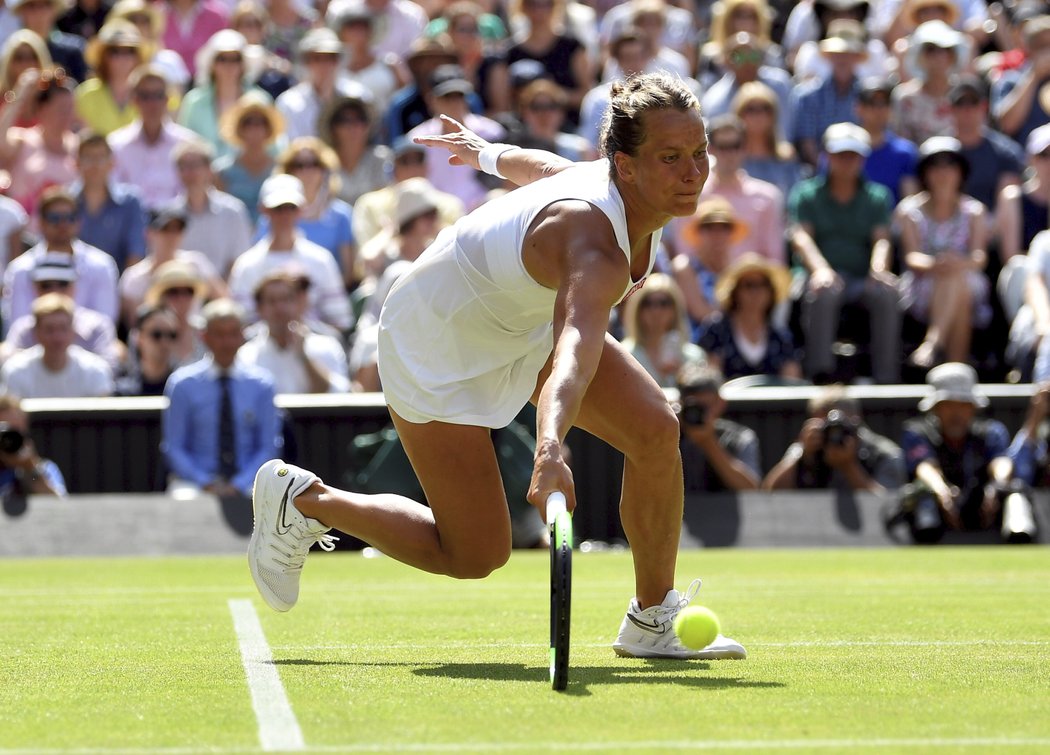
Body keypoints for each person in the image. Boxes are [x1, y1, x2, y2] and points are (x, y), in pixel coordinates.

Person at [247, 73, 748, 661]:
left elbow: (539, 166)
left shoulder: (614, 187)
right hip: (435, 339)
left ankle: (652, 617)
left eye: (699, 152)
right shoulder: (594, 244)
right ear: (626, 167)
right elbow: (574, 349)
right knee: (475, 554)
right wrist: (551, 445)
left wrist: (485, 153)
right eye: (671, 157)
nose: (694, 173)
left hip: (516, 324)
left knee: (656, 430)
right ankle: (303, 500)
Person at [789, 122, 900, 384]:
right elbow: (801, 237)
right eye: (840, 155)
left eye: (853, 155)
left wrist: (878, 269)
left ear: (862, 159)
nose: (846, 162)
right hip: (820, 277)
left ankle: (886, 379)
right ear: (827, 156)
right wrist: (820, 270)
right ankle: (820, 375)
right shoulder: (806, 194)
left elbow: (881, 240)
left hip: (861, 279)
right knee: (824, 291)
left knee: (887, 293)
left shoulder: (877, 196)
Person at [898, 362, 1028, 544]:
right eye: (948, 405)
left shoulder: (990, 431)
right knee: (922, 493)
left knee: (1015, 492)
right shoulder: (917, 431)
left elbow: (1001, 462)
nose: (956, 413)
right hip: (938, 513)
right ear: (935, 408)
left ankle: (1020, 543)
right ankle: (926, 547)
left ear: (973, 407)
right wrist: (941, 490)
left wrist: (997, 486)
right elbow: (925, 467)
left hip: (984, 508)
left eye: (963, 405)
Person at [163, 297, 280, 500]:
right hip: (195, 485)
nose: (227, 343)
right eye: (219, 334)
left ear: (242, 337)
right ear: (205, 337)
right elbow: (175, 447)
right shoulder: (181, 385)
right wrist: (205, 482)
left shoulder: (262, 385)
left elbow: (268, 447)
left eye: (233, 334)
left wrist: (239, 483)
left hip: (249, 483)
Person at [897, 136, 989, 370]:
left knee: (957, 282)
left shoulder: (975, 211)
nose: (943, 172)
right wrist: (936, 264)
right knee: (955, 284)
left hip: (964, 280)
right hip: (923, 285)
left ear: (961, 172)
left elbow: (979, 257)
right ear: (925, 172)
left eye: (950, 165)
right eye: (935, 165)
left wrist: (956, 263)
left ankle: (933, 343)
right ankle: (956, 370)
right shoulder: (909, 210)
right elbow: (912, 257)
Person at [228, 174, 352, 332]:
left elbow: (340, 320)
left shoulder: (321, 259)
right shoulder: (247, 264)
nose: (285, 215)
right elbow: (241, 322)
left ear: (301, 210)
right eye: (278, 209)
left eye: (291, 208)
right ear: (263, 210)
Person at [2, 187, 119, 329]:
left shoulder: (102, 265)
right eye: (54, 218)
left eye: (70, 218)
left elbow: (105, 326)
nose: (63, 224)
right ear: (41, 223)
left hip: (89, 348)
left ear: (78, 222)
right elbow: (17, 327)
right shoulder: (19, 269)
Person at [255, 138, 357, 287]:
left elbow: (348, 274)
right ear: (287, 171)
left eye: (314, 164)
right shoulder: (271, 216)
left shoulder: (342, 216)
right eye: (298, 165)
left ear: (325, 170)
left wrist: (319, 295)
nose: (306, 171)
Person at [763, 385, 905, 493]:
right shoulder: (806, 448)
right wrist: (803, 456)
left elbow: (888, 507)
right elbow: (770, 492)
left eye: (839, 426)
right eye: (825, 427)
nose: (832, 433)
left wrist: (849, 467)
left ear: (856, 422)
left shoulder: (884, 453)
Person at [2, 253, 122, 369]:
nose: (55, 290)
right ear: (35, 288)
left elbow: (109, 371)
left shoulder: (98, 326)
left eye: (63, 284)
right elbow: (11, 373)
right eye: (46, 285)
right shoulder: (23, 329)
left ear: (74, 287)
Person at [239, 270, 350, 395]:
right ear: (259, 309)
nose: (279, 307)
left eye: (285, 299)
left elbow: (337, 394)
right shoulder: (246, 355)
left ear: (298, 303)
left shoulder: (326, 346)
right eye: (271, 301)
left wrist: (303, 357)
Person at [698, 252, 802, 381]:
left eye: (763, 285)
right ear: (735, 292)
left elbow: (791, 383)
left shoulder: (781, 337)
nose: (756, 292)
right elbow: (709, 380)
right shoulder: (716, 331)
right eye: (749, 285)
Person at [118, 205, 226, 327]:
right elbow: (135, 323)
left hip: (195, 340)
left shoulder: (196, 263)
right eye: (165, 229)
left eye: (178, 229)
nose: (172, 236)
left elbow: (224, 301)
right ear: (149, 233)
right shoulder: (134, 277)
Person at [108, 66, 198, 209]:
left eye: (158, 95)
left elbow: (195, 192)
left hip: (177, 225)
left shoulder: (188, 144)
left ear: (168, 99)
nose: (152, 103)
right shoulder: (115, 144)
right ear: (134, 100)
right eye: (145, 96)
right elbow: (113, 193)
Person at [0, 292, 114, 398]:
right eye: (49, 329)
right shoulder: (15, 372)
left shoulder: (95, 372)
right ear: (36, 332)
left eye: (63, 328)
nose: (57, 337)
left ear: (73, 330)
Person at [169, 138, 254, 278]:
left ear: (209, 169)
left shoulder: (233, 211)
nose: (190, 172)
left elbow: (239, 264)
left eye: (195, 165)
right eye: (183, 166)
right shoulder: (168, 215)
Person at [789, 19, 869, 167]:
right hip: (819, 175)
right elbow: (808, 143)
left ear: (857, 57)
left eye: (849, 53)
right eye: (838, 53)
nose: (842, 59)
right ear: (829, 56)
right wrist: (830, 171)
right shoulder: (807, 96)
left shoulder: (869, 96)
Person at [676, 363, 761, 493]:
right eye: (693, 406)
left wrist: (709, 443)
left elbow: (751, 488)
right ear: (680, 403)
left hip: (723, 511)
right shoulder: (668, 435)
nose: (698, 413)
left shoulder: (739, 438)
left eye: (705, 407)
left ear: (720, 404)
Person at [70, 131, 147, 272]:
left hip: (118, 288)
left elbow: (135, 253)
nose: (95, 165)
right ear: (77, 163)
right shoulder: (65, 202)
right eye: (88, 158)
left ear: (112, 163)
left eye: (100, 158)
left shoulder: (130, 201)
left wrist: (123, 291)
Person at [671, 196, 748, 336]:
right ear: (698, 233)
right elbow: (700, 312)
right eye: (709, 227)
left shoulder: (738, 269)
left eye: (724, 227)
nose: (717, 234)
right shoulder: (685, 267)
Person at [618, 272, 706, 389]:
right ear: (637, 309)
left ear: (675, 309)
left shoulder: (694, 357)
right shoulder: (624, 354)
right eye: (647, 303)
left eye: (664, 303)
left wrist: (683, 376)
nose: (656, 311)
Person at [212, 91, 284, 227]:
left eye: (261, 122)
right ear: (239, 128)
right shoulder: (221, 171)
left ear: (269, 129)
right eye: (248, 122)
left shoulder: (281, 169)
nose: (254, 127)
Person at [74, 19, 151, 137]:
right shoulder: (86, 93)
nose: (122, 57)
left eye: (130, 51)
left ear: (138, 57)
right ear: (103, 57)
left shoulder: (150, 94)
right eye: (115, 51)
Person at [0, 392, 66, 500]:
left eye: (15, 431)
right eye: (4, 430)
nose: (8, 439)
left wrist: (30, 469)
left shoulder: (44, 469)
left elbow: (60, 506)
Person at [114, 302, 178, 396]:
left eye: (172, 335)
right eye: (157, 334)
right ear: (139, 338)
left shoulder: (183, 388)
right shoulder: (123, 393)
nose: (165, 342)